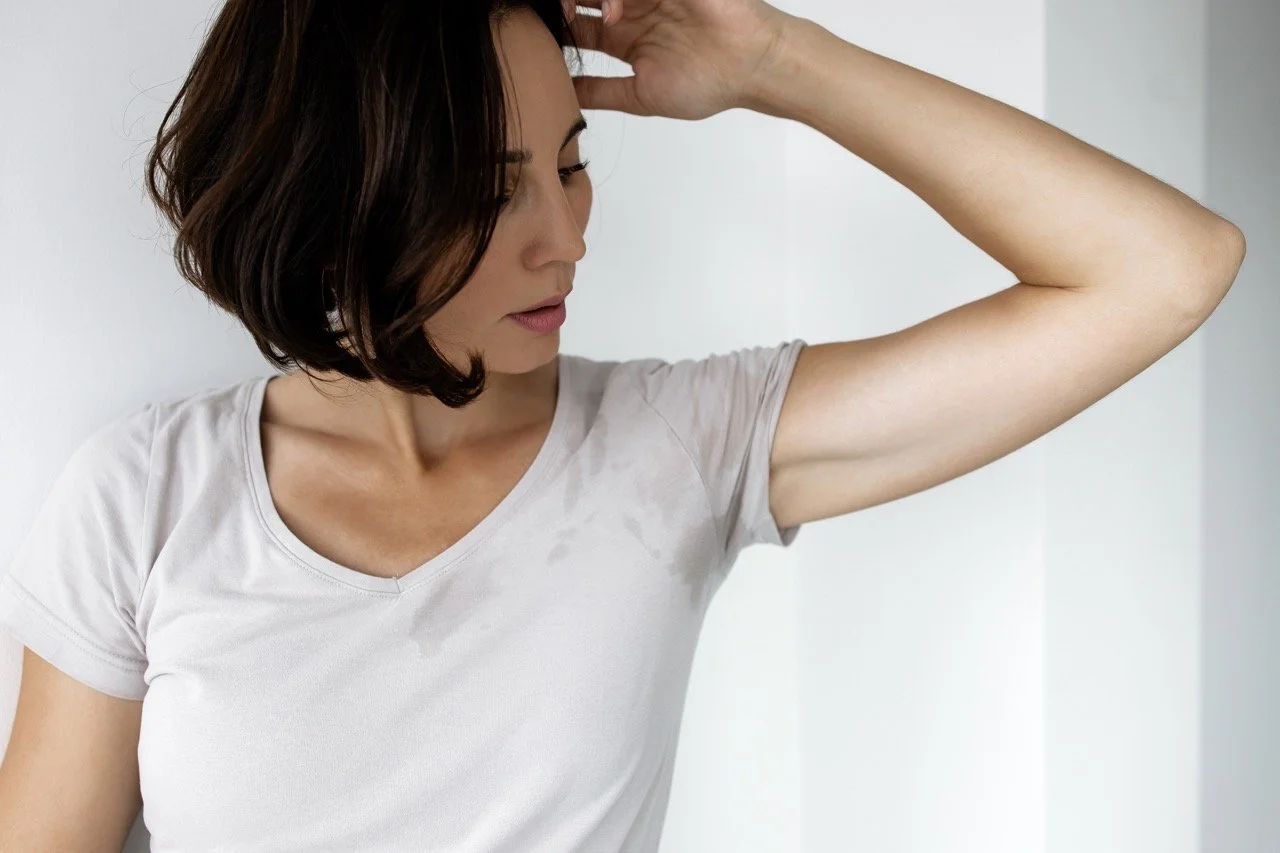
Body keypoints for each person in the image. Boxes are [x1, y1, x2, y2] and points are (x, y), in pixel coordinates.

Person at [0, 0, 1244, 850]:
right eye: (495, 190)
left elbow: (1164, 267)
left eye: (571, 159)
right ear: (339, 193)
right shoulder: (145, 498)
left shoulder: (677, 448)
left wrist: (779, 66)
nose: (568, 235)